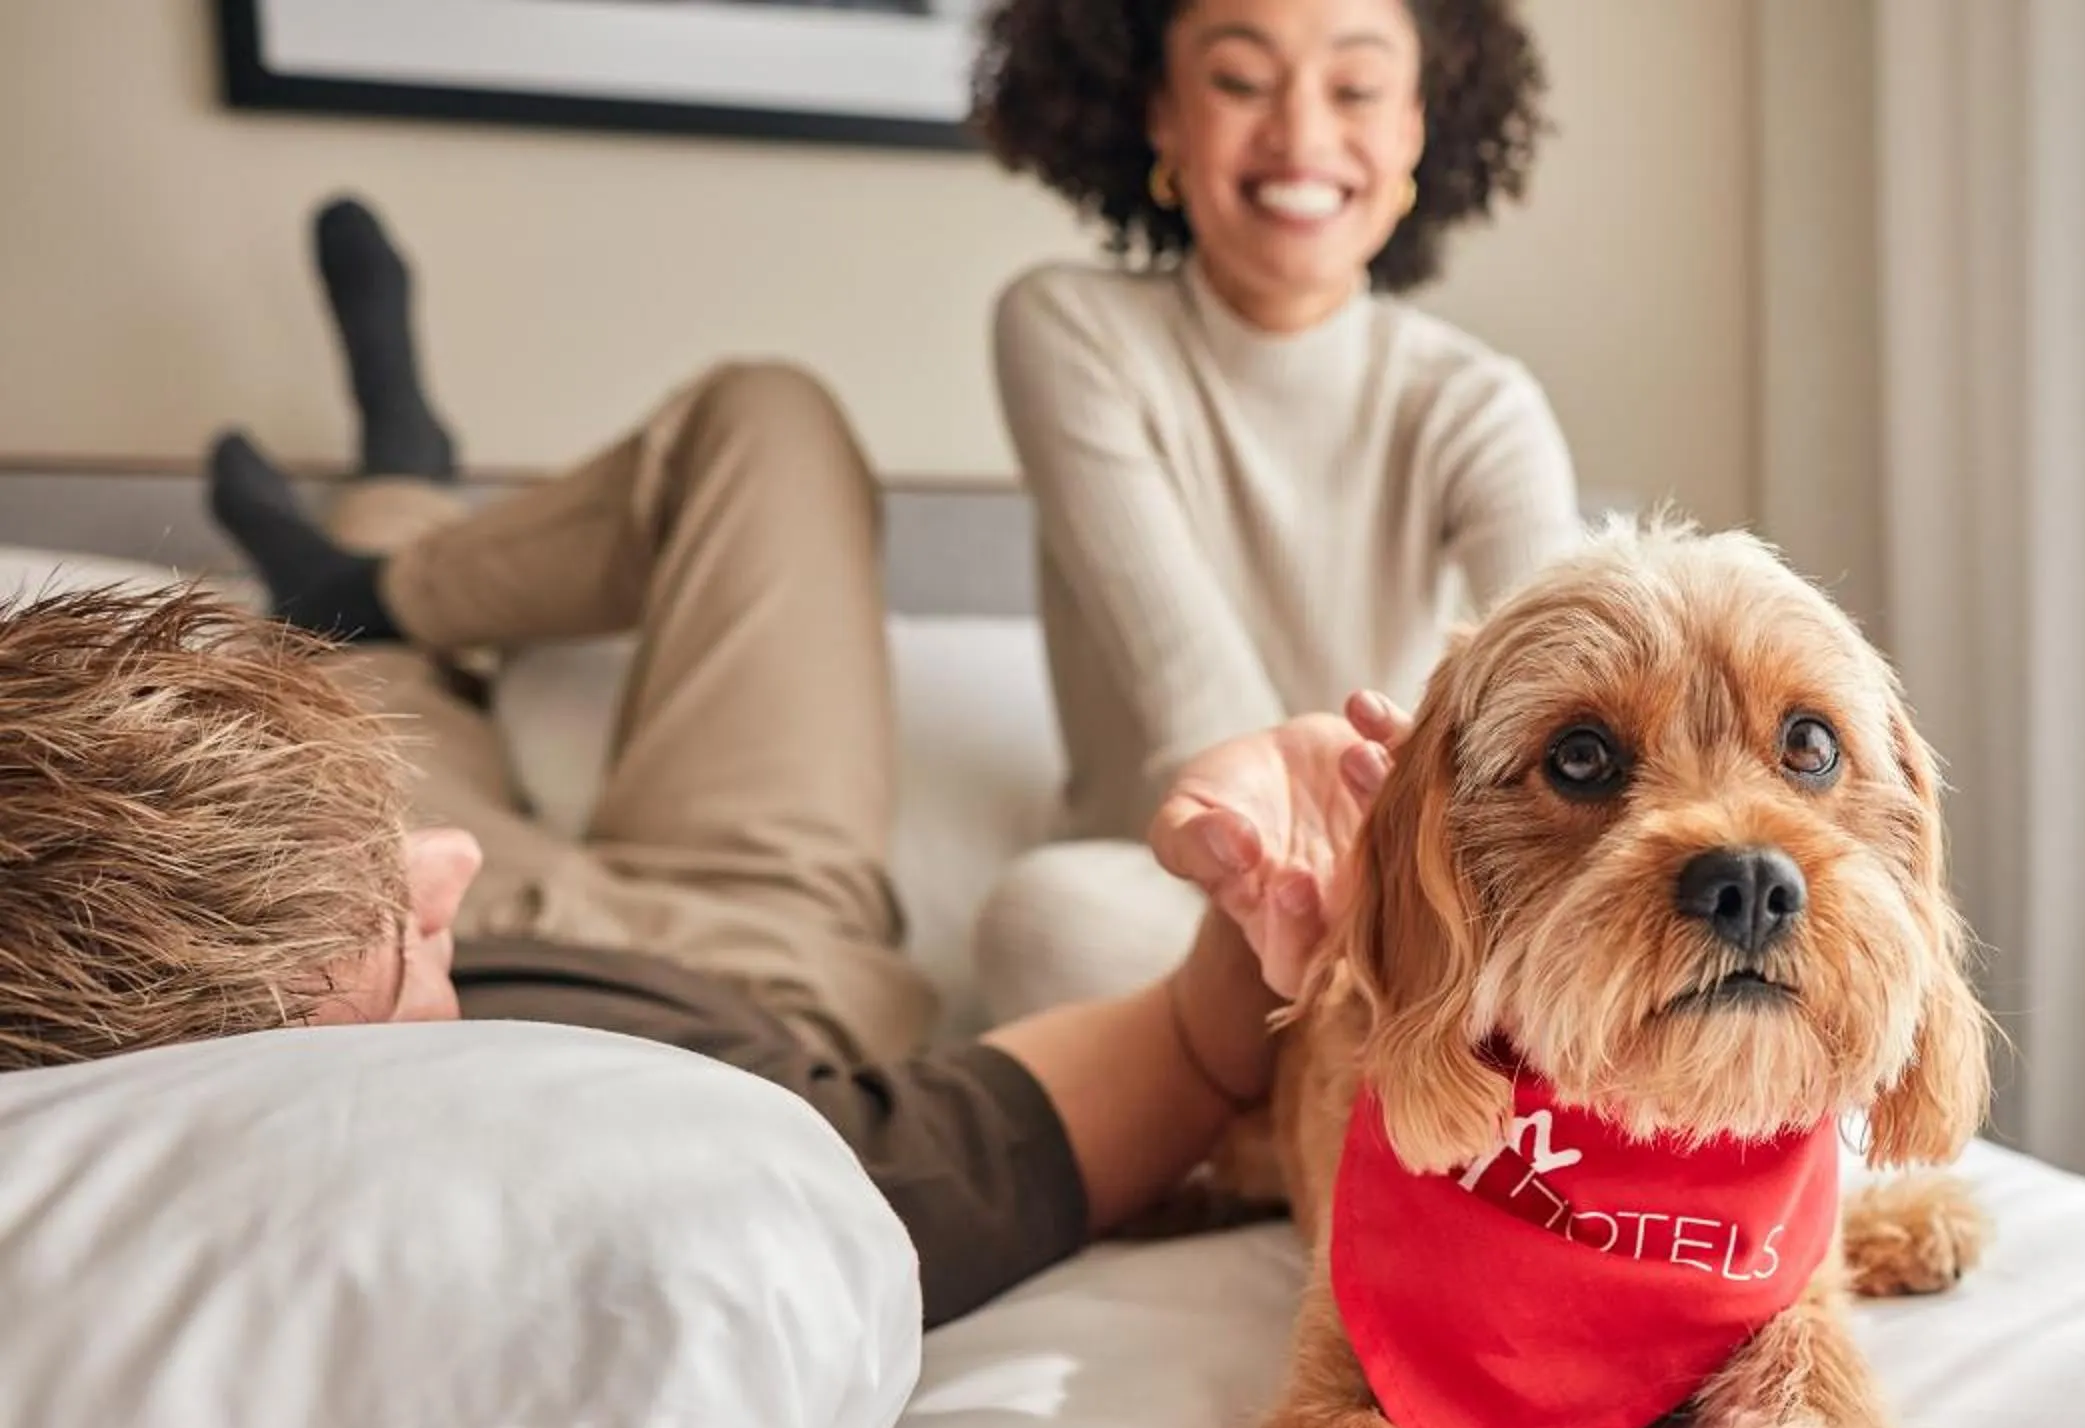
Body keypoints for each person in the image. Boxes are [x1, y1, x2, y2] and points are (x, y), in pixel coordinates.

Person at [10, 199, 1405, 1331]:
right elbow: (1180, 1048)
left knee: (740, 430)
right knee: (351, 674)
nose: (454, 862)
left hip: (341, 921)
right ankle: (392, 504)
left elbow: (375, 875)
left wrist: (364, 894)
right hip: (747, 929)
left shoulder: (294, 924)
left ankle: (396, 551)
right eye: (389, 919)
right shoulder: (735, 1177)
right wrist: (1269, 902)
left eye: (389, 849)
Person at [969, 0, 1579, 1017]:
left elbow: (1569, 701)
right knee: (1044, 918)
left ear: (1414, 127)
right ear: (1162, 114)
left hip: (1398, 902)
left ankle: (1341, 1050)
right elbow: (1196, 705)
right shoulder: (1069, 331)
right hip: (1179, 910)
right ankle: (1368, 1048)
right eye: (1242, 83)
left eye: (1354, 89)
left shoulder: (1477, 404)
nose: (1300, 135)